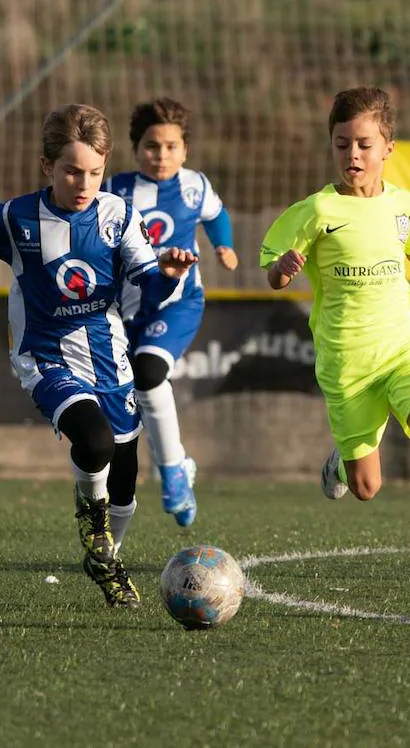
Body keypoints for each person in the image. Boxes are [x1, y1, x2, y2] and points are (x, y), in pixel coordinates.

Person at [0, 103, 196, 608]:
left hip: (109, 354)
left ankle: (105, 557)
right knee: (92, 441)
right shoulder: (17, 217)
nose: (84, 182)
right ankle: (90, 524)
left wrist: (169, 277)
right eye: (72, 170)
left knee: (125, 478)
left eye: (95, 172)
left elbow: (147, 287)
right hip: (43, 354)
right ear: (47, 166)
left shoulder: (118, 215)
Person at [260, 86, 410, 612]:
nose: (353, 155)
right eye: (342, 144)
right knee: (368, 486)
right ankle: (343, 465)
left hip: (402, 350)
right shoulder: (316, 211)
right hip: (347, 364)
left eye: (364, 144)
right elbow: (273, 268)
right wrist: (281, 270)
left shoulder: (404, 207)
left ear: (388, 147)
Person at [102, 97, 238, 532]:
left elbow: (216, 216)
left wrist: (223, 245)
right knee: (125, 402)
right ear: (135, 147)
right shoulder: (114, 189)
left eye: (170, 146)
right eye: (151, 146)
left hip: (179, 303)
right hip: (125, 311)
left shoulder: (195, 185)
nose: (161, 155)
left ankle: (174, 474)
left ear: (185, 150)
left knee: (147, 373)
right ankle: (176, 465)